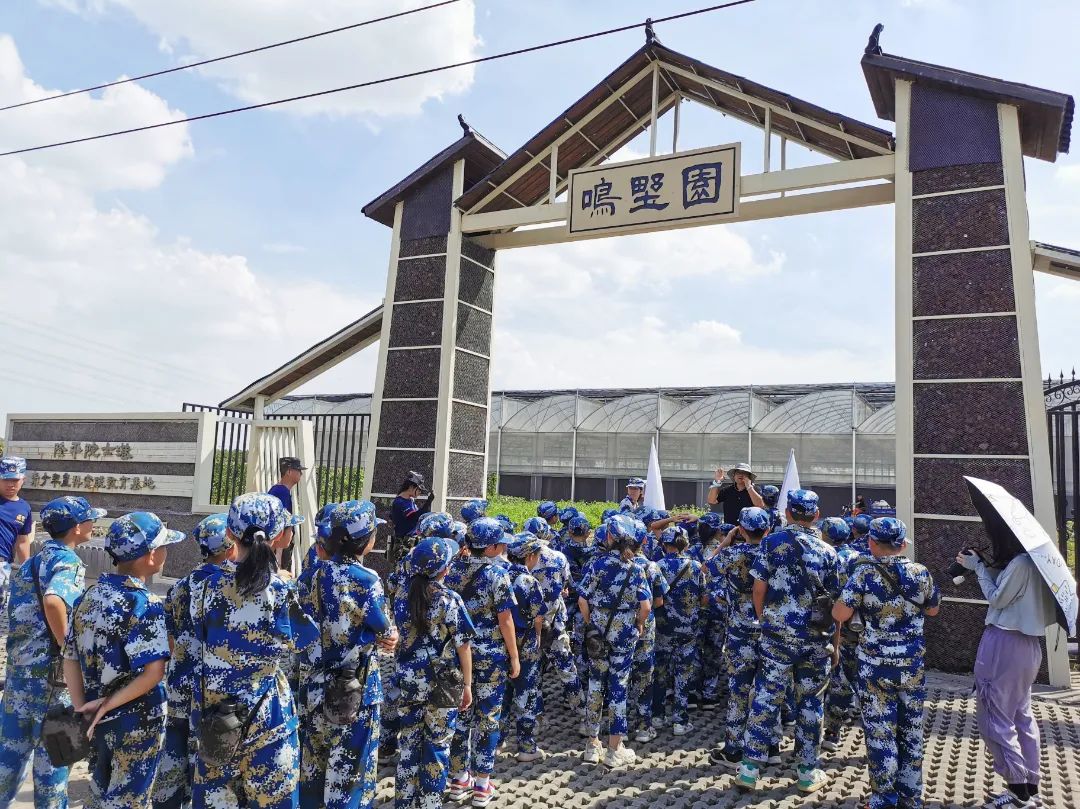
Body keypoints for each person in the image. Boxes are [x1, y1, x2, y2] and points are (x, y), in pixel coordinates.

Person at [188, 493, 318, 808]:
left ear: (229, 534)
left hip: (216, 718)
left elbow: (197, 635)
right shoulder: (280, 590)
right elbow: (305, 643)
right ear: (278, 535)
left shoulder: (203, 587)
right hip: (268, 716)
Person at [63, 512, 181, 809]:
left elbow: (70, 658)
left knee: (99, 790)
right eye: (164, 546)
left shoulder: (88, 597)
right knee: (129, 799)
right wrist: (106, 705)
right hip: (137, 721)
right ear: (151, 555)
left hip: (95, 718)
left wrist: (83, 709)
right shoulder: (144, 604)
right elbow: (153, 673)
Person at [0, 496, 101, 808]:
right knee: (55, 763)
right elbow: (54, 600)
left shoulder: (33, 561)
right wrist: (68, 649)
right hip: (51, 682)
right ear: (76, 527)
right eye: (90, 519)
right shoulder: (68, 562)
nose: (93, 524)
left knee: (9, 758)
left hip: (20, 673)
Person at [737, 489, 839, 794]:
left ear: (788, 513)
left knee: (766, 698)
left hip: (777, 636)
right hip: (815, 639)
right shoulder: (828, 552)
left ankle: (749, 769)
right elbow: (834, 603)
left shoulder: (771, 543)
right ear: (816, 515)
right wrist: (835, 644)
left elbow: (758, 589)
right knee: (811, 702)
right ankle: (807, 772)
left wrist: (765, 620)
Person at [834, 518, 940, 809]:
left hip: (875, 665)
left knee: (880, 733)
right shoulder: (920, 572)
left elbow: (840, 614)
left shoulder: (864, 573)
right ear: (903, 544)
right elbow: (933, 610)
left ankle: (883, 798)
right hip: (911, 665)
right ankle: (911, 797)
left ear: (871, 542)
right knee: (911, 730)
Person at [299, 500, 399, 809]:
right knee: (351, 775)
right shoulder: (366, 580)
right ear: (365, 540)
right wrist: (389, 636)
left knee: (311, 770)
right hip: (354, 690)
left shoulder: (309, 576)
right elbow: (385, 631)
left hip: (312, 685)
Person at [955, 539, 1058, 809]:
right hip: (1028, 645)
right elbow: (1010, 590)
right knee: (1022, 716)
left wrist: (978, 568)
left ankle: (1017, 791)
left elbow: (997, 598)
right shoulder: (1038, 562)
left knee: (994, 716)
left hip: (1003, 642)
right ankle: (1030, 788)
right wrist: (984, 564)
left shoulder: (1020, 563)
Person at [154, 514, 236, 809]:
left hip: (180, 680)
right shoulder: (230, 586)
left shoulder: (180, 586)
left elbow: (170, 636)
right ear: (231, 548)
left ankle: (166, 802)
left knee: (173, 748)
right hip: (211, 687)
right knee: (204, 755)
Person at [393, 536, 474, 809]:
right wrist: (467, 685)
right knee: (437, 748)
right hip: (443, 685)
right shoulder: (449, 599)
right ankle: (430, 804)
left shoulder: (402, 594)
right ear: (444, 568)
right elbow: (463, 646)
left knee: (409, 747)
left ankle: (404, 803)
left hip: (408, 681)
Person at [444, 517, 519, 806]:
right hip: (490, 657)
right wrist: (514, 656)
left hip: (456, 654)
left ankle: (458, 779)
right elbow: (505, 620)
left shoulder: (451, 570)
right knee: (488, 718)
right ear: (490, 548)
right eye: (500, 544)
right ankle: (482, 785)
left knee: (460, 715)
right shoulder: (498, 575)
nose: (503, 549)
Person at [578, 515, 651, 768]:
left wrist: (591, 622)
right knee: (618, 687)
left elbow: (582, 600)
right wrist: (639, 624)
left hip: (598, 633)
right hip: (624, 633)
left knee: (595, 684)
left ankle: (592, 745)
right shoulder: (637, 568)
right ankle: (614, 749)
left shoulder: (597, 564)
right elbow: (645, 606)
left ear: (609, 537)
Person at [708, 506, 772, 770]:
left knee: (739, 690)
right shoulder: (775, 554)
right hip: (770, 629)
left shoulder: (732, 554)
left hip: (740, 632)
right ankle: (771, 746)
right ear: (768, 529)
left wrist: (725, 542)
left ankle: (734, 750)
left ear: (742, 530)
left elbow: (708, 568)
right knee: (769, 690)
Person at [528, 516, 585, 719]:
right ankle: (582, 713)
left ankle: (536, 716)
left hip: (530, 623)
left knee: (533, 670)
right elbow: (566, 584)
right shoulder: (559, 557)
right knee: (567, 668)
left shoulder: (521, 558)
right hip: (555, 623)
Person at [652, 526, 705, 735]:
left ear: (664, 544)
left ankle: (657, 716)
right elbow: (704, 597)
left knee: (660, 671)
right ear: (685, 544)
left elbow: (654, 597)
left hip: (663, 628)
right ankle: (680, 721)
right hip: (688, 629)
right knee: (683, 673)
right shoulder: (695, 566)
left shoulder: (657, 566)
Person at [501, 534, 548, 762]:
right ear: (530, 556)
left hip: (502, 641)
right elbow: (539, 616)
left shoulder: (500, 574)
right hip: (525, 642)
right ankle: (526, 747)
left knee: (502, 693)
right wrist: (538, 635)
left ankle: (497, 741)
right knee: (525, 693)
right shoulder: (528, 581)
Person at [820, 516, 861, 752]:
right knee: (854, 678)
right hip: (855, 629)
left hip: (829, 627)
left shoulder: (826, 556)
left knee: (836, 680)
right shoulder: (860, 558)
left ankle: (832, 731)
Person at [629, 520, 668, 744]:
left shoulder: (610, 563)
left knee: (620, 675)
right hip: (644, 625)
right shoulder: (651, 566)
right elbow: (659, 601)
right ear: (644, 540)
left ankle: (620, 725)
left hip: (618, 627)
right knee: (644, 674)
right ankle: (644, 726)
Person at [0, 457, 34, 618]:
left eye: (15, 480)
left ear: (23, 480)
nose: (10, 484)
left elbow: (22, 541)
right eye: (5, 479)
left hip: (3, 566)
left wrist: (28, 570)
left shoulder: (24, 508)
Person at [268, 457, 305, 573]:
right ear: (289, 471)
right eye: (298, 470)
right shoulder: (282, 492)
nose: (301, 473)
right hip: (278, 545)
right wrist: (278, 554)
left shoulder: (279, 490)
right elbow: (279, 522)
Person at [391, 471, 435, 546]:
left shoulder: (410, 500)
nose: (420, 492)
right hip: (404, 544)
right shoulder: (400, 502)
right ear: (411, 487)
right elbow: (415, 518)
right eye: (419, 489)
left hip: (412, 541)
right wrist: (428, 502)